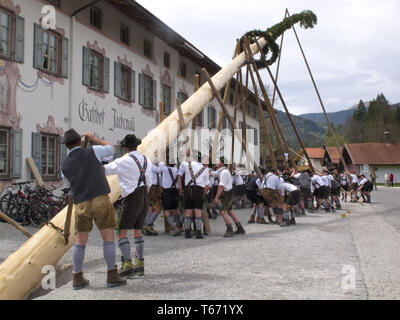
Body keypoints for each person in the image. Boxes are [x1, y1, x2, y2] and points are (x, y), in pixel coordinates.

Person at [61, 129, 126, 290]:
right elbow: (112, 149)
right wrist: (93, 138)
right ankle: (112, 275)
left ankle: (77, 277)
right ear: (79, 141)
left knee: (80, 241)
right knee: (108, 237)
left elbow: (69, 185)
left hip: (81, 202)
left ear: (67, 146)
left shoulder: (64, 165)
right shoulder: (92, 150)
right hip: (99, 198)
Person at [104, 134, 152, 279]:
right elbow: (149, 182)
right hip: (144, 195)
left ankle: (127, 265)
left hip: (131, 198)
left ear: (125, 147)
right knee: (137, 230)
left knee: (121, 231)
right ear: (136, 146)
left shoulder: (123, 161)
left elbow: (105, 170)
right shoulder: (146, 160)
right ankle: (140, 264)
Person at [178, 151, 210, 239]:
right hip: (199, 190)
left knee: (188, 211)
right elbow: (207, 184)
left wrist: (180, 188)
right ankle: (198, 233)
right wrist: (203, 194)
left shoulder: (185, 164)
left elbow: (179, 176)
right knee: (198, 212)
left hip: (188, 189)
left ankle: (187, 232)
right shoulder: (205, 169)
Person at [213, 158, 246, 237]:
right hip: (229, 192)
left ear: (222, 163)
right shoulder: (221, 171)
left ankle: (229, 230)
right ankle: (240, 228)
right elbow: (214, 173)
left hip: (227, 193)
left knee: (223, 212)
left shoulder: (224, 172)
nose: (216, 162)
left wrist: (216, 197)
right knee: (230, 211)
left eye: (218, 161)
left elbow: (221, 186)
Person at [159, 160, 182, 237]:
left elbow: (159, 162)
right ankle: (180, 225)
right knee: (175, 210)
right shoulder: (176, 169)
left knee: (166, 211)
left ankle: (175, 228)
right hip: (175, 191)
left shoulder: (164, 168)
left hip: (167, 191)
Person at [143, 162, 162, 236]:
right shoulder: (151, 165)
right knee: (158, 208)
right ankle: (148, 225)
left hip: (153, 188)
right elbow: (159, 170)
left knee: (151, 208)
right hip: (153, 188)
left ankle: (147, 226)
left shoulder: (151, 165)